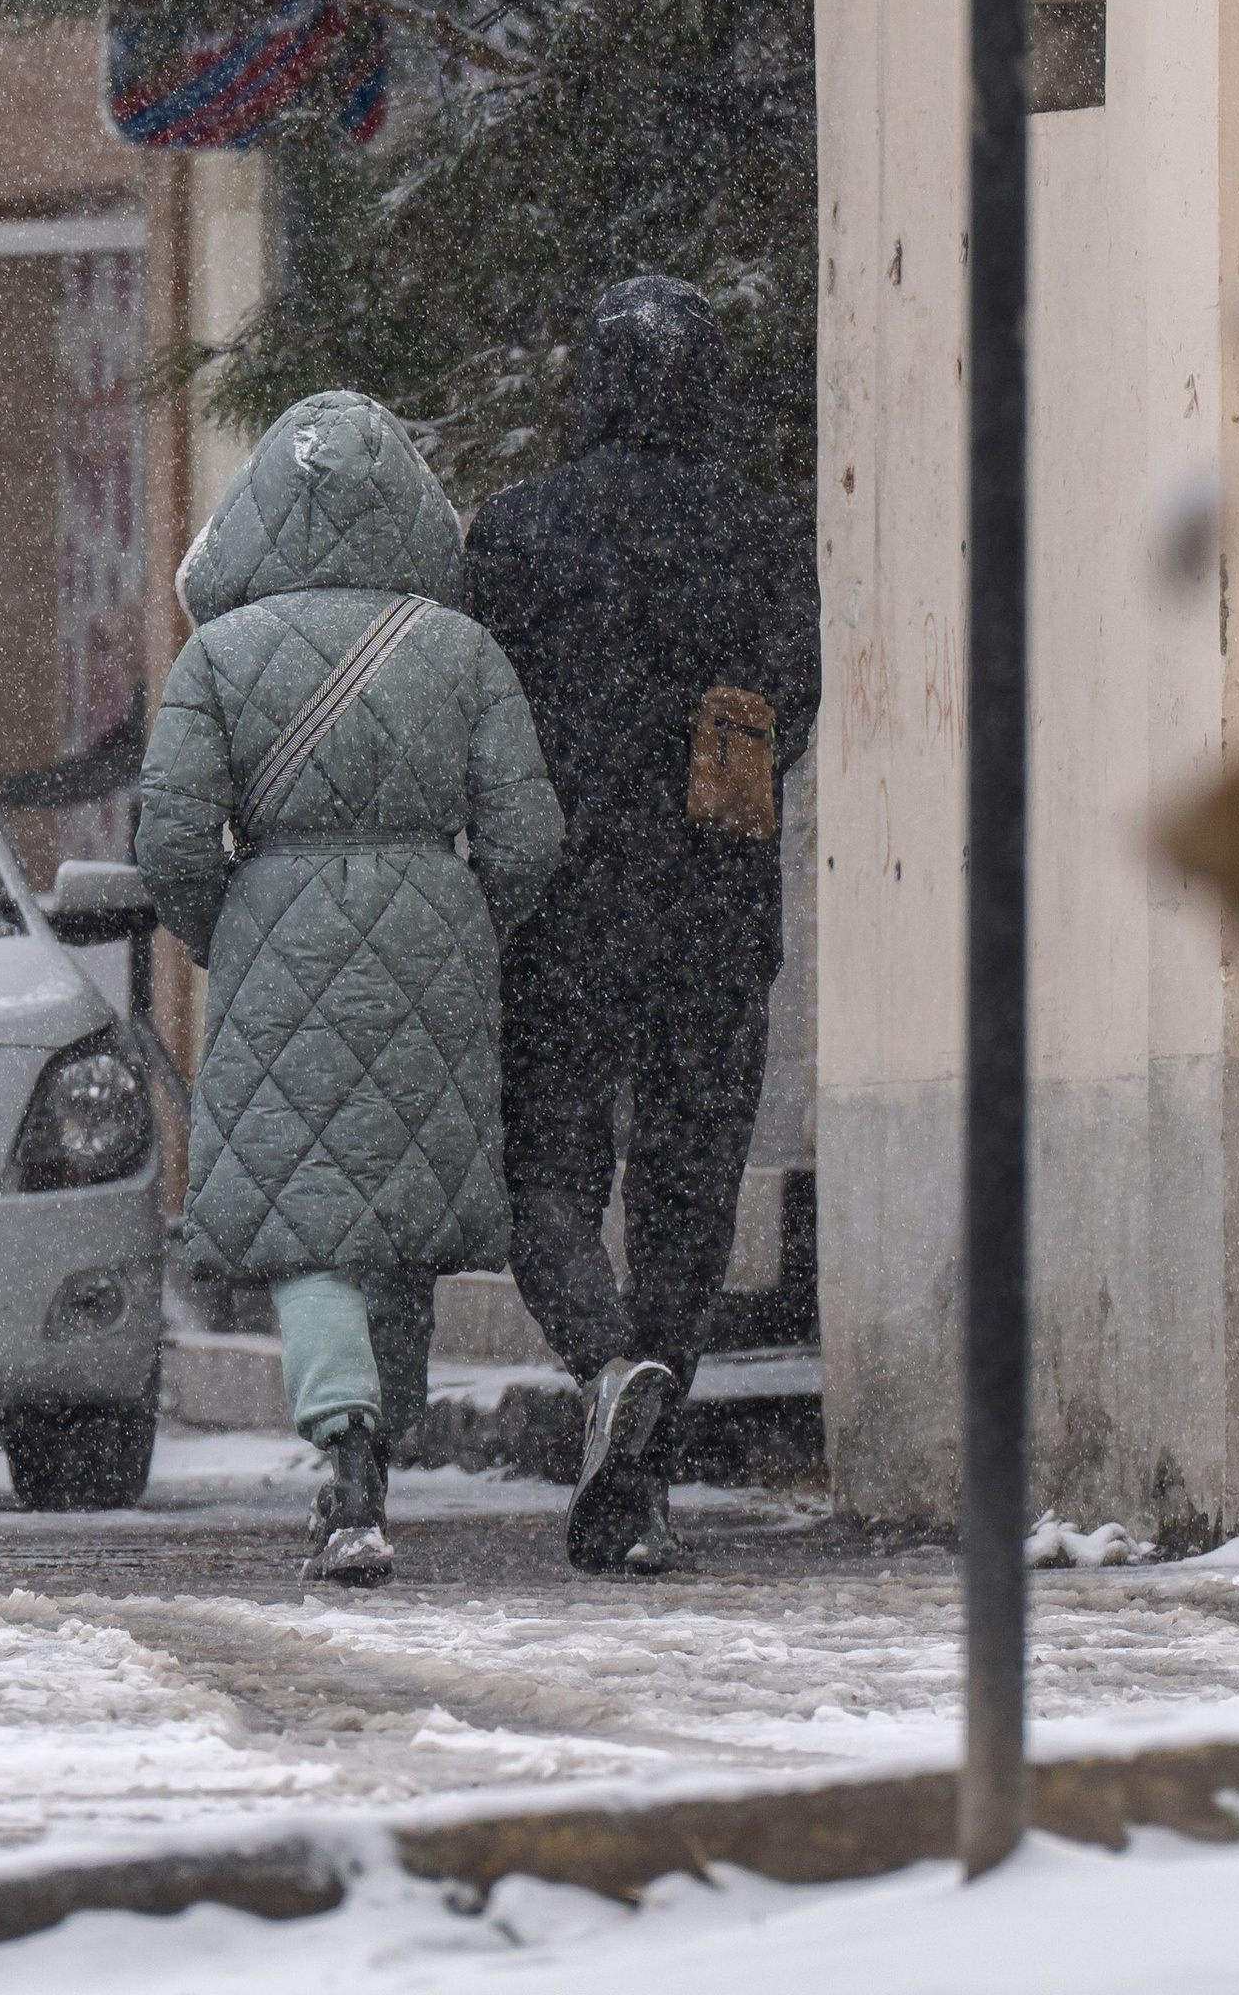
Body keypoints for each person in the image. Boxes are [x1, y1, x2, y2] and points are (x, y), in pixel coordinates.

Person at [138, 388, 561, 1586]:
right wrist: (467, 917)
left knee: (304, 1222)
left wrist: (235, 923)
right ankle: (388, 1426)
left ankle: (344, 1448)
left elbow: (171, 837)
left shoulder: (218, 655)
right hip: (437, 937)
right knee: (403, 1219)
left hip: (275, 927)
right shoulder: (463, 652)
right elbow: (525, 834)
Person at [464, 276, 819, 1575]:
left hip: (559, 914)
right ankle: (644, 1474)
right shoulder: (761, 538)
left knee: (543, 1177)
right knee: (685, 1196)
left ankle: (606, 1362)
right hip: (714, 917)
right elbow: (792, 704)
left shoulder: (515, 533)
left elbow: (476, 711)